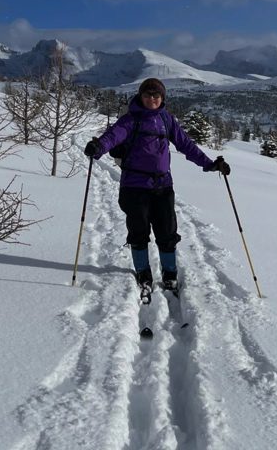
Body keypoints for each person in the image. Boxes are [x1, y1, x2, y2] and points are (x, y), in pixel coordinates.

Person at [83, 77, 230, 296]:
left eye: (156, 95)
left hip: (163, 185)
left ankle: (169, 274)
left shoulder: (167, 120)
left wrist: (210, 164)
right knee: (138, 232)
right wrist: (98, 147)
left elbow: (186, 145)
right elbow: (113, 137)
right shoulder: (131, 119)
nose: (151, 98)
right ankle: (143, 273)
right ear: (140, 96)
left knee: (167, 232)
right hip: (134, 186)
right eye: (147, 94)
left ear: (162, 98)